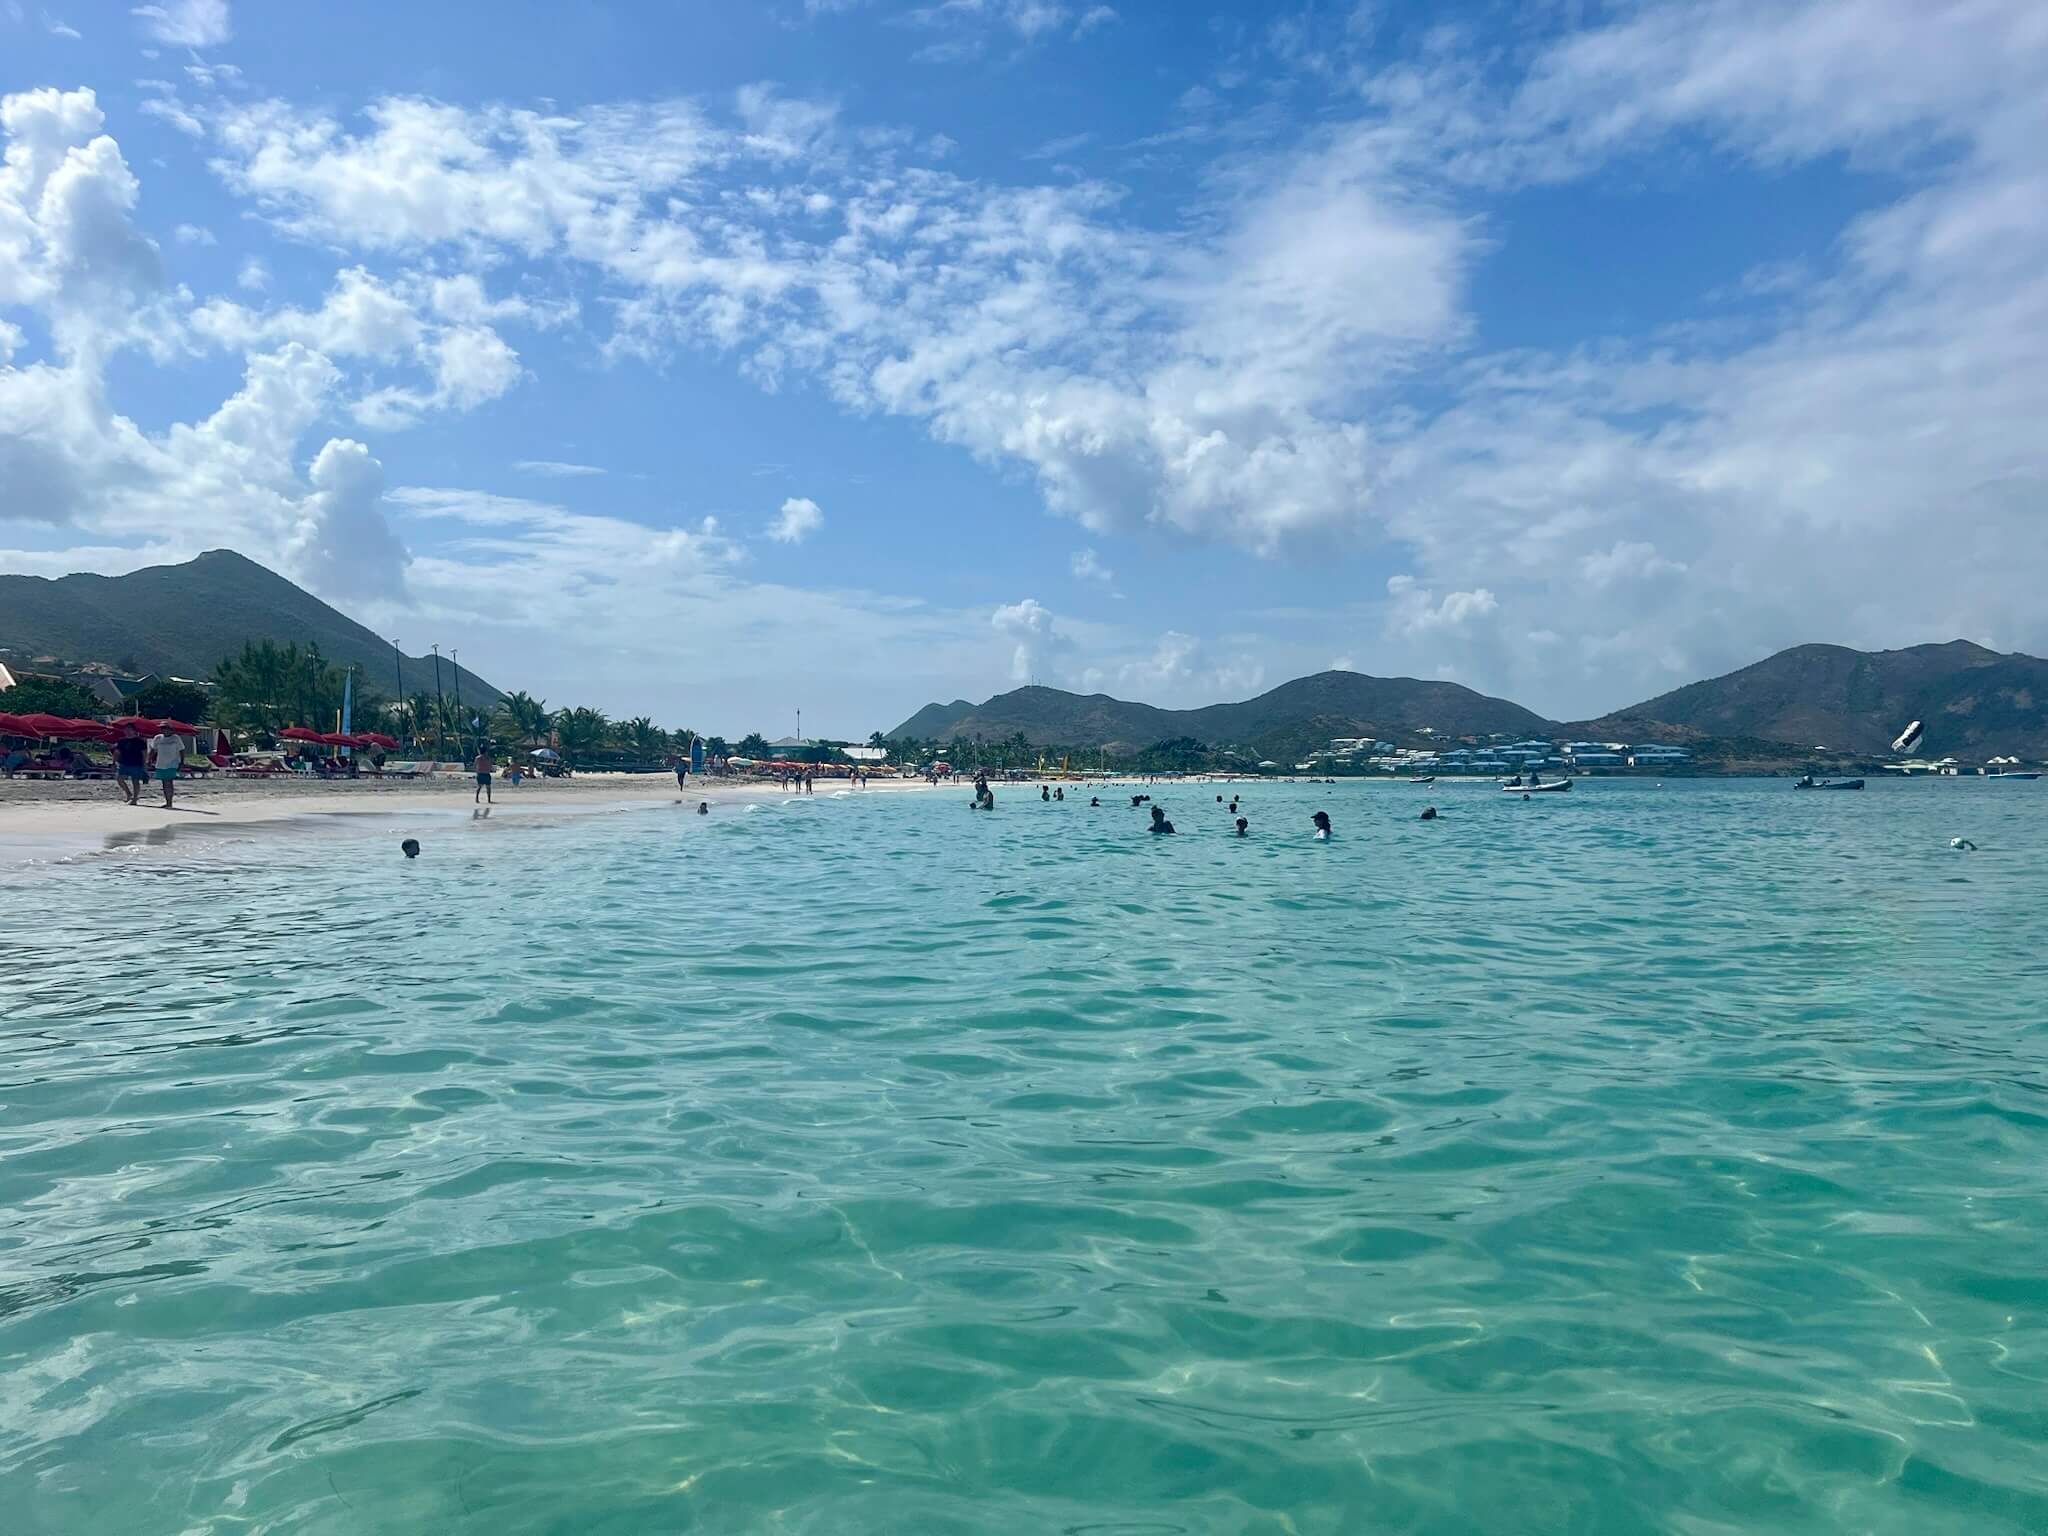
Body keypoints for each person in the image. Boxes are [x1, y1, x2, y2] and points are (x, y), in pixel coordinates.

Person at [146, 725, 185, 808]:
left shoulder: (176, 738)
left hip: (172, 763)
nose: (164, 730)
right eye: (162, 728)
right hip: (160, 763)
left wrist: (182, 762)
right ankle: (167, 801)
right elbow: (153, 749)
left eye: (166, 728)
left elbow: (181, 750)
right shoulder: (158, 738)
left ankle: (169, 802)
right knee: (164, 782)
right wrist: (149, 760)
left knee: (168, 781)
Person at [113, 724, 148, 806]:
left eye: (129, 729)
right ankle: (128, 794)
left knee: (135, 781)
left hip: (136, 764)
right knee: (119, 779)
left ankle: (135, 799)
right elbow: (117, 752)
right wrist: (114, 762)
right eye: (126, 730)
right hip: (124, 763)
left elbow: (144, 753)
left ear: (134, 731)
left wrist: (144, 764)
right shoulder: (122, 741)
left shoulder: (140, 741)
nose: (127, 731)